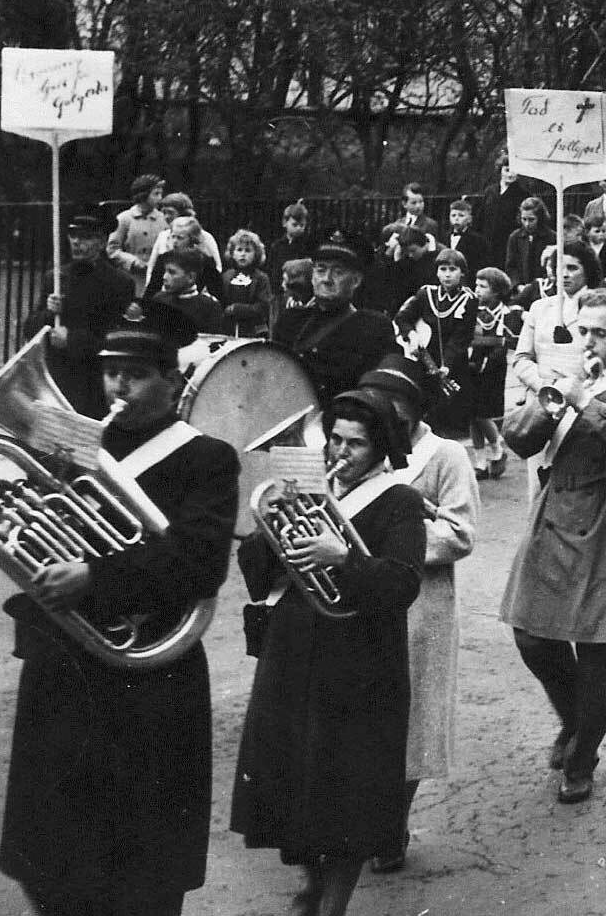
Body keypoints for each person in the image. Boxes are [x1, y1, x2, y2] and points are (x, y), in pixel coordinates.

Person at [0, 300, 239, 916]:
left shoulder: (206, 456)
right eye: (110, 373)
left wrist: (93, 576)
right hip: (65, 662)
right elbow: (34, 529)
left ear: (171, 380)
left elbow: (201, 564)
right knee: (49, 855)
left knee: (141, 865)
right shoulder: (78, 444)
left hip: (148, 672)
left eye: (134, 374)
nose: (118, 387)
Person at [232, 388, 425, 916]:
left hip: (360, 659)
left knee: (347, 787)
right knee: (294, 776)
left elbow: (403, 583)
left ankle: (334, 899)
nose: (340, 452)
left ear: (380, 448)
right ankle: (312, 882)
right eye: (334, 439)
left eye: (355, 444)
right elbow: (256, 572)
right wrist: (268, 532)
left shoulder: (399, 500)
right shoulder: (306, 490)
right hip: (293, 647)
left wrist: (342, 556)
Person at [500, 289, 606, 804]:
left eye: (599, 333)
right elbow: (518, 439)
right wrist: (546, 404)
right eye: (582, 331)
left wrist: (583, 402)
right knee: (531, 635)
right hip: (555, 513)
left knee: (597, 650)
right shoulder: (564, 379)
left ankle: (583, 755)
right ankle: (573, 719)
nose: (587, 341)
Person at [355, 356, 479, 875]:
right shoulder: (355, 451)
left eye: (396, 405)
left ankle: (392, 823)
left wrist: (392, 543)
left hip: (420, 603)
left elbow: (461, 532)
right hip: (360, 593)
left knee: (410, 717)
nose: (386, 414)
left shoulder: (444, 455)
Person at [511, 238, 602, 500]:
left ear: (587, 270)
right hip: (541, 406)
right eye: (559, 266)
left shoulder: (600, 307)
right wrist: (545, 387)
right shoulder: (540, 308)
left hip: (581, 405)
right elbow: (521, 358)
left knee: (578, 488)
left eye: (573, 267)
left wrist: (578, 389)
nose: (564, 274)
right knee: (538, 489)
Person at [21, 213, 136, 418]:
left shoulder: (119, 283)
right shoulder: (56, 277)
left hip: (92, 382)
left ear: (101, 242)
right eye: (73, 236)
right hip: (56, 380)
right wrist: (48, 314)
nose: (76, 242)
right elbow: (29, 329)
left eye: (85, 237)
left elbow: (116, 342)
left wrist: (71, 340)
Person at [272, 234, 396, 407]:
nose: (327, 279)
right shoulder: (290, 320)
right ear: (312, 275)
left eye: (338, 272)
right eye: (321, 270)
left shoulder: (374, 328)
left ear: (356, 280)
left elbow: (378, 393)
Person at [393, 246, 479, 440]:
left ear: (462, 273)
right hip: (422, 357)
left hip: (451, 363)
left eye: (452, 269)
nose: (447, 275)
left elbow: (461, 338)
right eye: (443, 269)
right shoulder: (426, 293)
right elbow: (403, 317)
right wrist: (412, 335)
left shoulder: (469, 300)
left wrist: (446, 365)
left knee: (448, 417)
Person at [467, 266, 521, 479]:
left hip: (491, 367)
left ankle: (498, 451)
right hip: (471, 363)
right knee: (472, 415)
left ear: (497, 291)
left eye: (483, 286)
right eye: (476, 285)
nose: (477, 290)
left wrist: (488, 357)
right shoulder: (471, 309)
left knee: (483, 414)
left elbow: (505, 341)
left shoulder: (506, 313)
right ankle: (480, 461)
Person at [107, 173, 167, 292]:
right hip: (131, 279)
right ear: (143, 195)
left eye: (160, 194)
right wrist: (133, 262)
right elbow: (112, 249)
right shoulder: (125, 218)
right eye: (156, 194)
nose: (160, 198)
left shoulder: (163, 219)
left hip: (156, 279)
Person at [143, 193, 221, 283]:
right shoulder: (163, 236)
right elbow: (152, 267)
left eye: (170, 212)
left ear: (184, 213)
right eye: (164, 212)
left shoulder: (205, 236)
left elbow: (217, 268)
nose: (166, 216)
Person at [153, 249, 226, 335]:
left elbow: (214, 342)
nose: (165, 277)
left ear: (191, 277)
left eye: (172, 273)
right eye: (165, 271)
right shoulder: (159, 300)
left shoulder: (209, 306)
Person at [477, 155, 532, 265]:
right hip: (488, 241)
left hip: (508, 242)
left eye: (514, 171)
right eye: (507, 170)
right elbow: (480, 216)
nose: (510, 174)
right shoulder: (490, 191)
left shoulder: (522, 194)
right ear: (500, 170)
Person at [220, 228, 272, 337]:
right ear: (232, 253)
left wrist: (238, 309)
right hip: (228, 329)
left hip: (253, 331)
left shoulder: (261, 278)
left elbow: (263, 307)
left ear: (256, 254)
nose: (243, 254)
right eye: (239, 250)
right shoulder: (226, 276)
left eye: (248, 250)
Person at [266, 201, 314, 309]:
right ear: (285, 223)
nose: (298, 228)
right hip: (279, 293)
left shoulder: (307, 246)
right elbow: (271, 269)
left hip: (302, 294)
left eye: (302, 225)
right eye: (295, 225)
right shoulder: (277, 246)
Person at [504, 196, 555, 291]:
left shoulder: (551, 237)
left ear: (540, 218)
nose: (527, 224)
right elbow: (511, 267)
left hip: (543, 289)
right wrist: (518, 285)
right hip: (520, 289)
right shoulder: (515, 237)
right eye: (524, 219)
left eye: (531, 219)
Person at [441, 199, 492, 277]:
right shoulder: (444, 237)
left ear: (469, 219)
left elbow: (481, 265)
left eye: (461, 215)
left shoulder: (478, 240)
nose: (456, 218)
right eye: (453, 215)